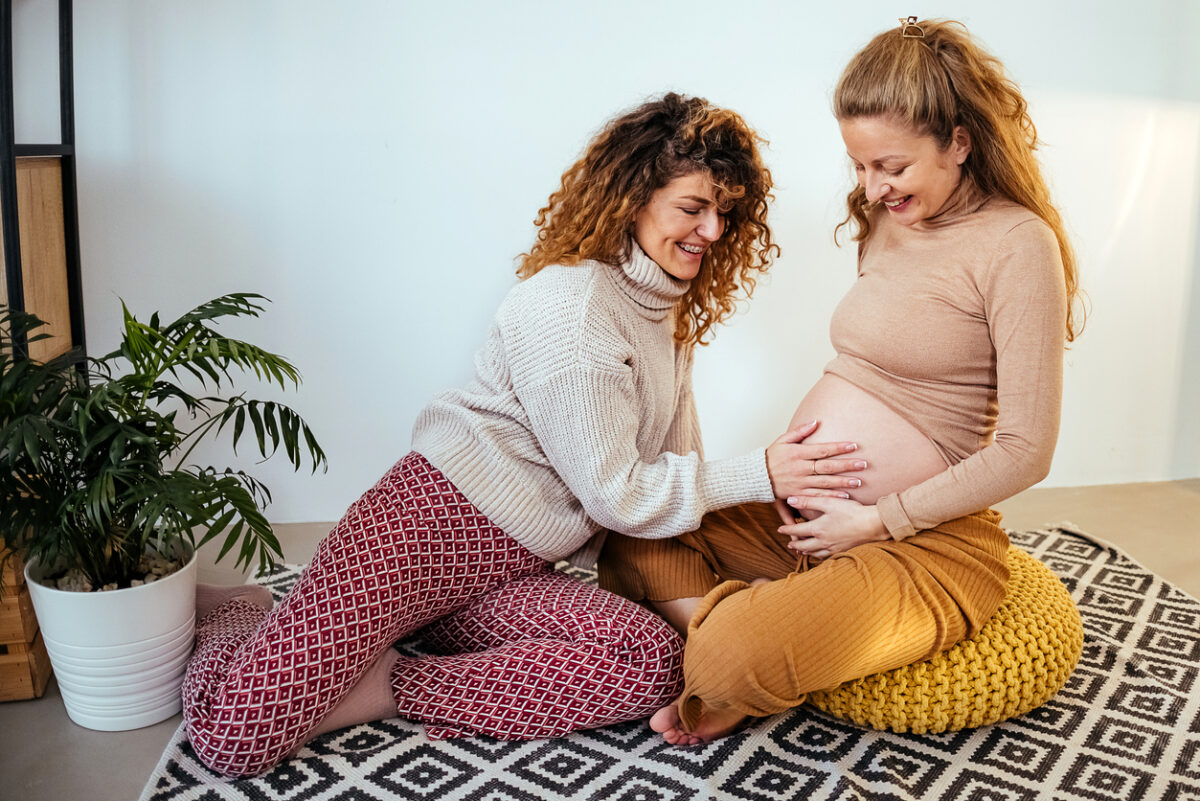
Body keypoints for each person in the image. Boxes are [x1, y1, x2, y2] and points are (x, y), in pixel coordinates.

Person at [182, 92, 868, 777]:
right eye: (694, 208)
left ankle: (393, 681)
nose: (713, 230)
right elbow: (618, 497)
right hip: (426, 530)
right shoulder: (572, 309)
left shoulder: (664, 309)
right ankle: (237, 618)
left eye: (725, 212)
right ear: (634, 198)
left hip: (516, 561)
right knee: (229, 736)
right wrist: (766, 471)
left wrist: (761, 510)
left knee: (650, 660)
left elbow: (671, 463)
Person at [598, 19, 1085, 744]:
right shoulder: (884, 220)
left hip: (923, 542)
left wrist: (875, 519)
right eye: (860, 166)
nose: (872, 187)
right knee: (631, 534)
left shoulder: (1018, 245)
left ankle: (741, 645)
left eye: (891, 166)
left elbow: (1025, 449)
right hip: (801, 525)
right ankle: (764, 625)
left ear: (958, 141)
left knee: (727, 657)